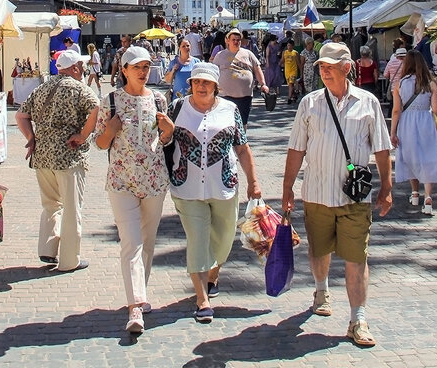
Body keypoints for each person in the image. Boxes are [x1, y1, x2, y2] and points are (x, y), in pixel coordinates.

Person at [281, 42, 392, 348]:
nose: (325, 71)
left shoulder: (367, 103)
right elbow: (296, 148)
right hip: (317, 192)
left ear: (347, 67)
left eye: (331, 66)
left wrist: (387, 187)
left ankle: (358, 319)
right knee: (319, 249)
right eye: (322, 67)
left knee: (357, 257)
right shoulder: (310, 103)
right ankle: (321, 289)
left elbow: (382, 148)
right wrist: (287, 187)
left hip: (354, 197)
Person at [168, 62, 260, 324]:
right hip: (186, 186)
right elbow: (164, 141)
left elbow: (242, 148)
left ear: (216, 86)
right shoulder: (178, 108)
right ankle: (202, 299)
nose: (200, 86)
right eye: (196, 82)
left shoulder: (230, 110)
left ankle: (213, 273)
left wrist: (253, 181)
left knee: (224, 238)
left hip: (224, 185)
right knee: (197, 239)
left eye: (206, 83)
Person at [93, 46, 174, 334]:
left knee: (148, 242)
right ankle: (135, 306)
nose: (143, 71)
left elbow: (164, 143)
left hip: (153, 180)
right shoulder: (111, 101)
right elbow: (100, 143)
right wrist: (111, 129)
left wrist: (168, 130)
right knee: (131, 242)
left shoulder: (159, 99)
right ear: (124, 69)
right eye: (136, 66)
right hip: (122, 181)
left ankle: (141, 291)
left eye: (146, 66)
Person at [15, 49, 100, 271]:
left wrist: (31, 138)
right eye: (80, 67)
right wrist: (83, 135)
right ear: (73, 68)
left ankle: (47, 248)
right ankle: (70, 260)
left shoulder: (42, 88)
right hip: (68, 155)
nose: (82, 70)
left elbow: (21, 115)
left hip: (42, 156)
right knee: (72, 208)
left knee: (51, 204)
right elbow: (96, 108)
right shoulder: (79, 88)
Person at [391, 51, 437, 216]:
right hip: (426, 122)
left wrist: (393, 132)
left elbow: (396, 110)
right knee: (428, 158)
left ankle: (415, 193)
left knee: (411, 157)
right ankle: (428, 197)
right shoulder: (430, 83)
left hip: (407, 123)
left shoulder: (400, 83)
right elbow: (436, 109)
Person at [211, 28, 269, 126]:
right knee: (226, 123)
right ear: (227, 40)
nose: (236, 42)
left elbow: (257, 69)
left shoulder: (248, 54)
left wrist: (263, 84)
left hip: (244, 96)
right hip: (225, 96)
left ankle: (241, 141)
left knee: (242, 123)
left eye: (238, 40)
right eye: (233, 39)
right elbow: (213, 72)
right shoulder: (220, 55)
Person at [283, 40, 301, 104]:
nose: (289, 47)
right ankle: (294, 95)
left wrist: (301, 71)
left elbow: (298, 63)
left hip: (293, 71)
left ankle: (289, 98)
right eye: (288, 45)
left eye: (290, 45)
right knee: (290, 85)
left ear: (293, 46)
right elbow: (282, 60)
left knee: (291, 84)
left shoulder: (295, 53)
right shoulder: (285, 52)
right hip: (287, 71)